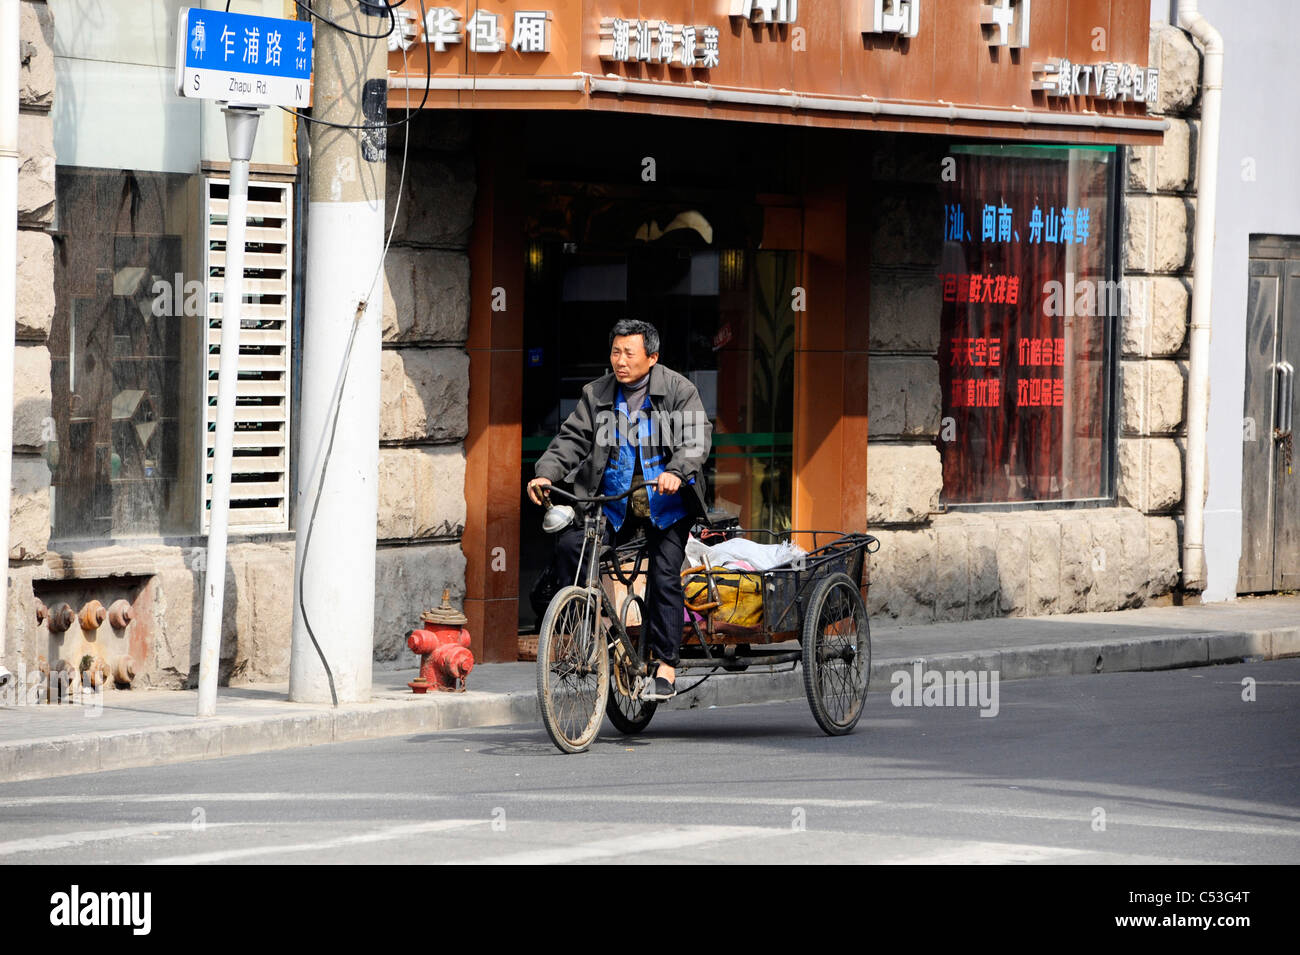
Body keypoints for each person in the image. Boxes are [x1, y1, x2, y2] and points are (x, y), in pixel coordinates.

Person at [528, 319, 712, 700]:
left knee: (664, 575)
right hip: (613, 505)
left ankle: (665, 667)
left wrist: (677, 472)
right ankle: (591, 636)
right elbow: (572, 439)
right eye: (615, 351)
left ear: (652, 357)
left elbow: (696, 439)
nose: (620, 360)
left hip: (667, 506)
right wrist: (546, 474)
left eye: (629, 353)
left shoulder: (679, 390)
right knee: (570, 549)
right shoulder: (597, 394)